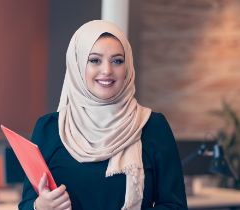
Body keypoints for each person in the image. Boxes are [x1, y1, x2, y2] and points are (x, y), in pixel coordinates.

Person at [18, 20, 187, 210]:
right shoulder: (49, 128)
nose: (107, 70)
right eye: (94, 60)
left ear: (127, 67)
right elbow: (26, 204)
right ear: (78, 65)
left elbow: (175, 205)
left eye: (117, 61)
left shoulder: (152, 126)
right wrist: (40, 206)